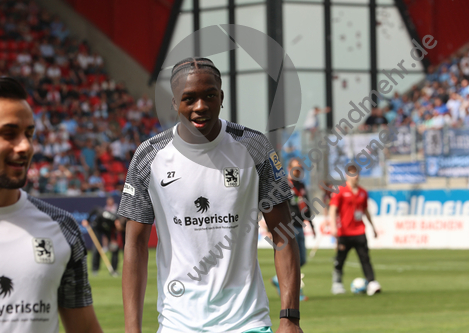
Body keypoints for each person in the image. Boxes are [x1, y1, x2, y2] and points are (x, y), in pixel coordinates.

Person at [118, 58, 303, 333]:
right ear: (174, 103)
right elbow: (135, 245)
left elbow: (282, 232)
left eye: (209, 96)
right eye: (189, 98)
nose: (200, 106)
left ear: (221, 97)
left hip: (246, 322)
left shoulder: (253, 147)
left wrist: (289, 317)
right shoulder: (149, 157)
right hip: (177, 324)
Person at [0, 77, 102, 332]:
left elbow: (85, 328)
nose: (25, 146)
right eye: (9, 134)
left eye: (29, 134)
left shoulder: (61, 227)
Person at [329, 164, 381, 296]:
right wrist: (333, 226)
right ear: (347, 175)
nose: (355, 177)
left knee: (365, 258)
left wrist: (373, 227)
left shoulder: (363, 192)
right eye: (352, 174)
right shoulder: (340, 191)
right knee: (340, 259)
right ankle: (337, 283)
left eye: (357, 174)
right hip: (344, 232)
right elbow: (333, 210)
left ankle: (372, 282)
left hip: (359, 231)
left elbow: (365, 211)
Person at [271, 158, 315, 302]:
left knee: (302, 259)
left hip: (299, 225)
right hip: (287, 227)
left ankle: (279, 279)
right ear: (289, 169)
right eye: (295, 169)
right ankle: (298, 293)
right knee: (294, 260)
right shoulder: (282, 185)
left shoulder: (301, 185)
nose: (298, 172)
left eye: (300, 170)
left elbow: (306, 206)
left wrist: (312, 225)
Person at [82, 206, 123, 274]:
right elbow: (95, 209)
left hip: (108, 230)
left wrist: (113, 242)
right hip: (97, 227)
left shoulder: (115, 226)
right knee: (97, 247)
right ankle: (95, 269)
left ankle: (114, 270)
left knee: (115, 248)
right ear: (117, 222)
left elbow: (113, 234)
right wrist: (87, 220)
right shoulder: (107, 215)